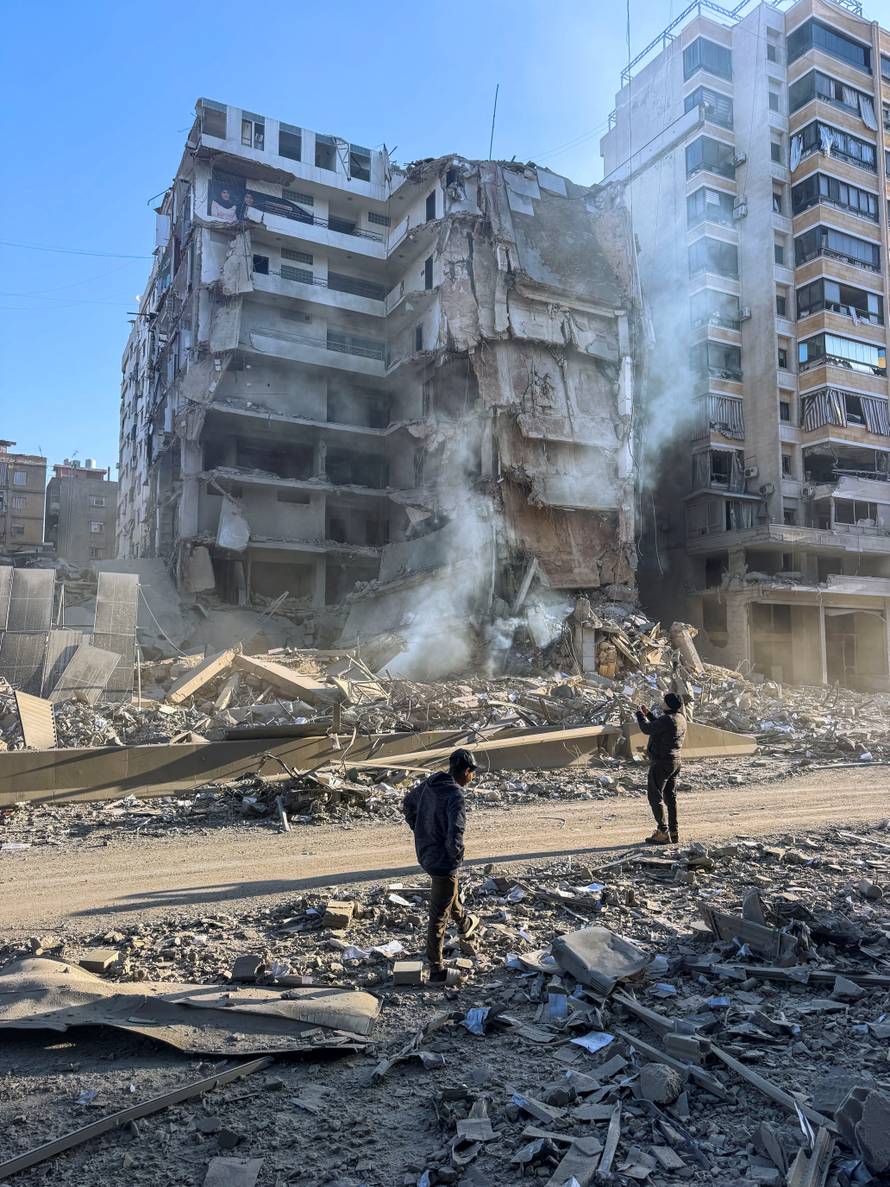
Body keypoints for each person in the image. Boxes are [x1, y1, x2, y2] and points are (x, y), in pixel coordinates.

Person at [403, 748, 480, 983]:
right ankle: (436, 969)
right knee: (438, 916)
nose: (472, 778)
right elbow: (456, 832)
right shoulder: (455, 795)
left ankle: (465, 923)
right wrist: (454, 859)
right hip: (442, 862)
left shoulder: (432, 783)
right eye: (472, 773)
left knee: (448, 895)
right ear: (466, 771)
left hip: (426, 854)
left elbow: (408, 803)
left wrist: (419, 830)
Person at [635, 692, 687, 845]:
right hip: (675, 762)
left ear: (669, 705)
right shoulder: (680, 719)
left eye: (664, 702)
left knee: (655, 797)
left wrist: (639, 715)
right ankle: (673, 831)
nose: (661, 704)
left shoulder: (667, 720)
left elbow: (647, 729)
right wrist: (649, 714)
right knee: (670, 798)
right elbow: (660, 727)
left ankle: (662, 832)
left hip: (661, 763)